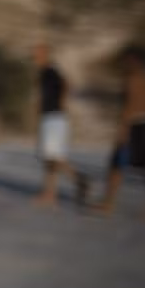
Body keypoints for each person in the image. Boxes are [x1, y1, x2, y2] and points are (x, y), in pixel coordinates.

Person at [92, 45, 145, 220]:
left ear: (135, 60)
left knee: (116, 166)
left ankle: (108, 204)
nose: (125, 63)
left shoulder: (131, 78)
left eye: (127, 60)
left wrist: (123, 130)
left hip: (135, 127)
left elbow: (130, 105)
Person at [30, 42, 89, 207]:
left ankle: (77, 179)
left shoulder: (50, 70)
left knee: (53, 156)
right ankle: (51, 193)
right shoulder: (44, 72)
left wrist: (62, 103)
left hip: (54, 117)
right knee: (50, 158)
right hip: (50, 117)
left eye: (37, 53)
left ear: (45, 54)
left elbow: (65, 84)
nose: (35, 57)